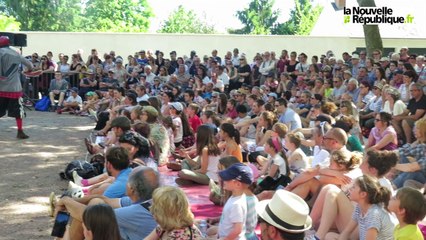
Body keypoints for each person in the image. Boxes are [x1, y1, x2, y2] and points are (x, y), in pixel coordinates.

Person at [54, 166, 159, 240]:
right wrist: (71, 202)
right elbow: (105, 200)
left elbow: (90, 216)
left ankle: (61, 232)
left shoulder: (135, 212)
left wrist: (66, 200)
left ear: (131, 189)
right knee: (96, 202)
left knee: (87, 220)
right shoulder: (146, 200)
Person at [326, 175, 395, 240]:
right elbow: (347, 232)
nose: (350, 189)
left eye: (353, 187)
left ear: (363, 194)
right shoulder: (359, 207)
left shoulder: (373, 215)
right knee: (330, 236)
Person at [0, 36, 33, 139]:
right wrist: (28, 71)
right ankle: (20, 131)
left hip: (1, 87)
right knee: (18, 111)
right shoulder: (16, 53)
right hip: (14, 87)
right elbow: (30, 65)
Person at [216, 163, 253, 240]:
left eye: (227, 179)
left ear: (238, 184)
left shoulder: (236, 204)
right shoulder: (235, 197)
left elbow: (237, 230)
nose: (224, 180)